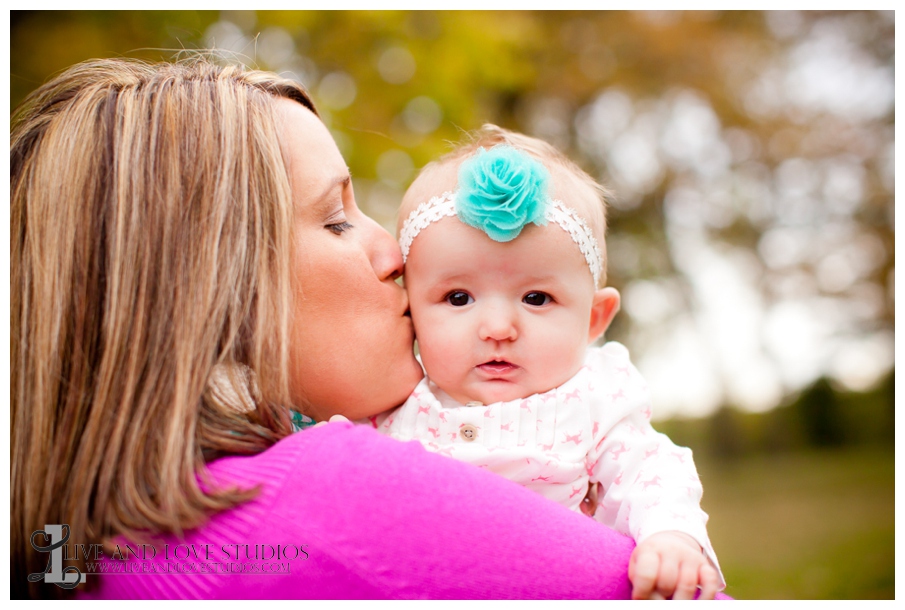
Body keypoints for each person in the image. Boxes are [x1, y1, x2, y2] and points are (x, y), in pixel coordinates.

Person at [11, 57, 666, 600]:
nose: (395, 257)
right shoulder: (335, 494)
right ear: (210, 290)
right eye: (337, 220)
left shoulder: (67, 560)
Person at [368, 127, 724, 599]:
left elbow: (649, 470)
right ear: (410, 308)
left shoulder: (594, 398)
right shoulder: (395, 402)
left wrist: (670, 535)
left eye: (536, 298)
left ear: (594, 317)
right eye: (458, 297)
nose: (497, 327)